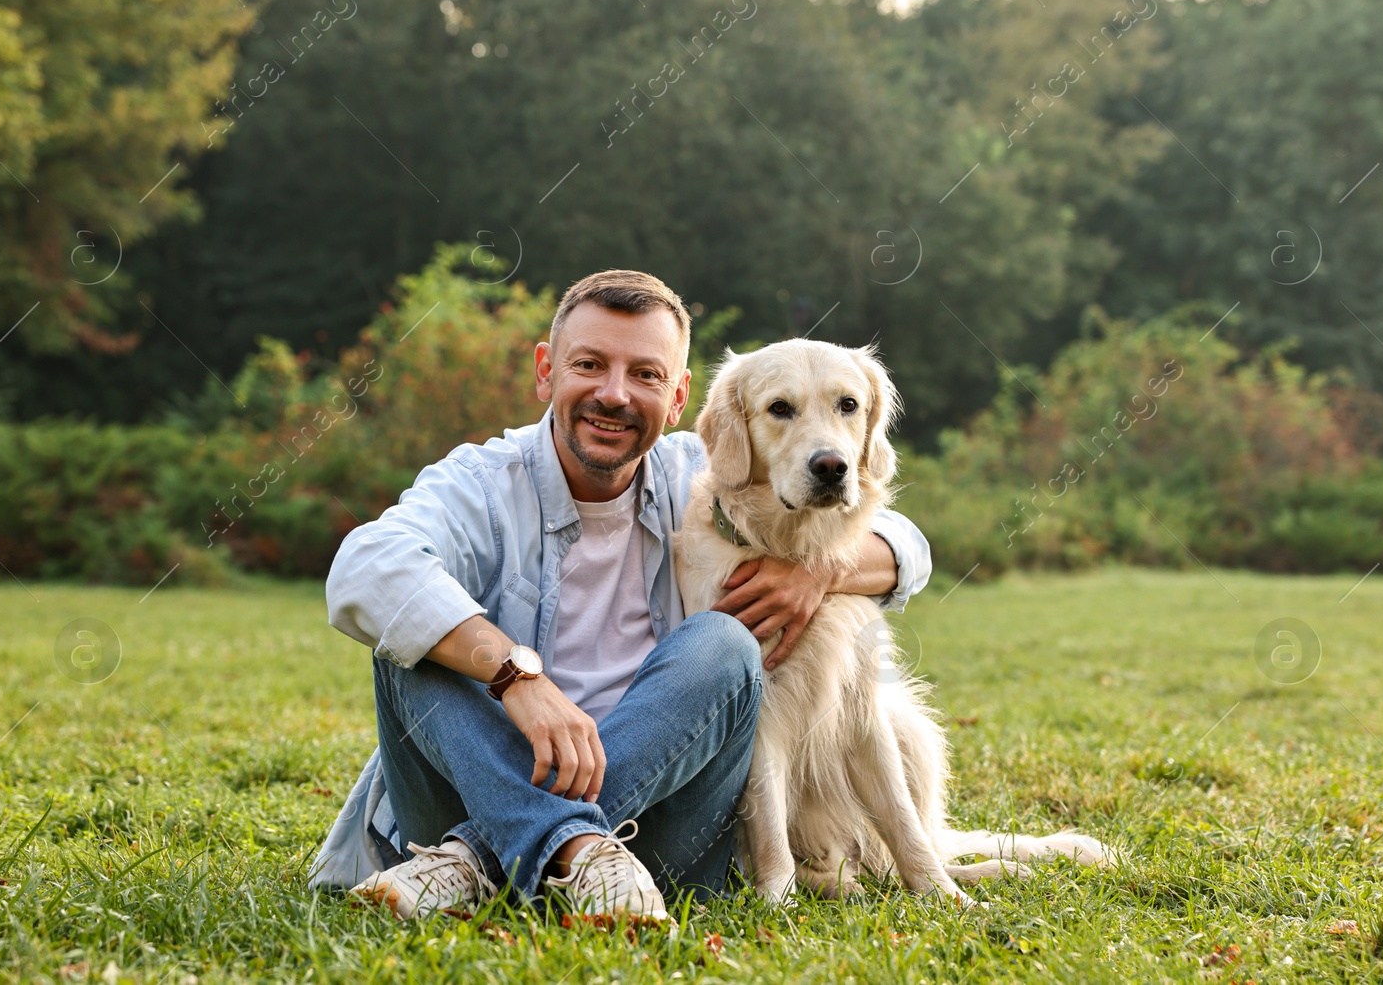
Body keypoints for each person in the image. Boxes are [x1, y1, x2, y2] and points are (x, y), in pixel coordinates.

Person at [309, 270, 930, 920]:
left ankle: (474, 864)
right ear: (546, 371)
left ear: (679, 393)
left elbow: (906, 541)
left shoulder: (709, 475)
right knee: (414, 644)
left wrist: (820, 569)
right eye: (590, 364)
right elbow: (366, 567)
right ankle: (557, 848)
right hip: (461, 798)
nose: (614, 394)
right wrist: (517, 677)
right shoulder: (482, 482)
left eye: (646, 374)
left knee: (722, 642)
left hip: (653, 834)